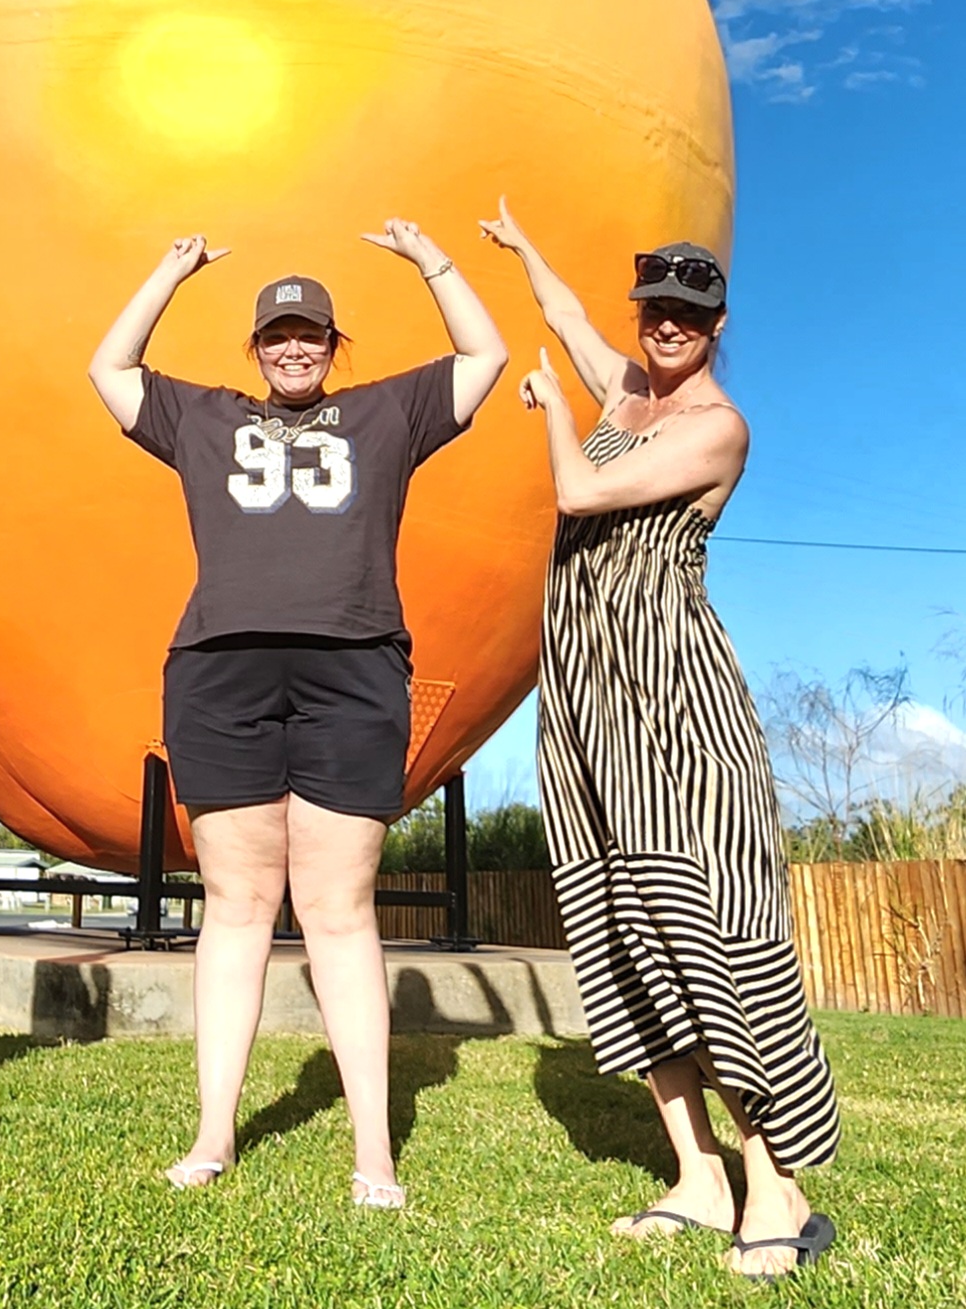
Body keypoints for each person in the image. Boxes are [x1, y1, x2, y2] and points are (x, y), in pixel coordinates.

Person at [89, 220, 507, 1208]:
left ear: (332, 343)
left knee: (337, 906)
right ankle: (211, 1136)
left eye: (309, 335)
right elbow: (110, 366)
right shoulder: (201, 415)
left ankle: (374, 1157)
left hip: (353, 669)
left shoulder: (386, 412)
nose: (292, 348)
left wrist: (432, 260)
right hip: (220, 672)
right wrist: (168, 268)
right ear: (255, 343)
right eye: (276, 334)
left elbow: (483, 356)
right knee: (235, 907)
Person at [481, 201, 838, 1280]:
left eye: (690, 311)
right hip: (586, 696)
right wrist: (521, 242)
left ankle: (776, 1186)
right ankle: (695, 1175)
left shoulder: (713, 426)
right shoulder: (628, 388)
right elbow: (569, 315)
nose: (667, 324)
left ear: (717, 324)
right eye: (656, 308)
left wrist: (546, 404)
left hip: (674, 698)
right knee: (617, 927)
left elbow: (578, 488)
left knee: (708, 928)